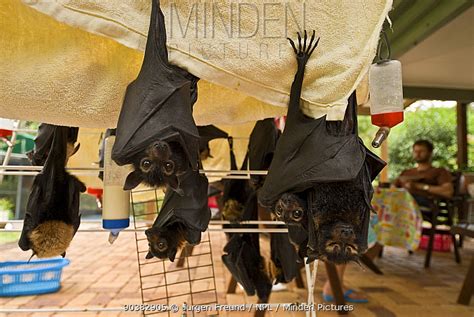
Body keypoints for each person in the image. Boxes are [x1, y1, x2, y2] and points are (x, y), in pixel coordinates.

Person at [394, 140, 453, 208]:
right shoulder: (406, 172)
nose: (418, 154)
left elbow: (448, 192)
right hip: (400, 199)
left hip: (423, 202)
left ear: (430, 153)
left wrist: (418, 186)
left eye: (421, 151)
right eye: (415, 151)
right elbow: (392, 188)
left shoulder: (439, 171)